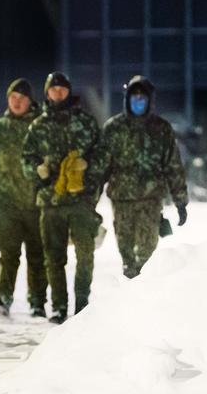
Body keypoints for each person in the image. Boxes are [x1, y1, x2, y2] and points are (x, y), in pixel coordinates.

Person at [21, 72, 103, 323]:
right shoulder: (38, 126)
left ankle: (82, 303)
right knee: (54, 257)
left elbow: (103, 154)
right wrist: (38, 171)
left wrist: (87, 165)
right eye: (53, 90)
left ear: (69, 92)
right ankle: (58, 306)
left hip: (81, 200)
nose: (57, 94)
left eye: (62, 89)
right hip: (51, 200)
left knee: (85, 255)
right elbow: (26, 158)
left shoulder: (86, 122)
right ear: (47, 94)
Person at [97, 76, 189, 278]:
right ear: (127, 99)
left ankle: (145, 292)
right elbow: (101, 167)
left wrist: (180, 201)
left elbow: (172, 165)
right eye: (134, 97)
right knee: (127, 253)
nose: (138, 101)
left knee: (147, 253)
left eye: (142, 97)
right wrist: (91, 199)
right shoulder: (113, 128)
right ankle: (132, 291)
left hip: (151, 200)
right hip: (122, 201)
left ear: (149, 100)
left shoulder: (161, 129)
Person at [0, 78, 48, 317]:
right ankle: (3, 297)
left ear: (30, 100)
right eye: (13, 97)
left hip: (36, 203)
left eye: (22, 98)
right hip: (7, 204)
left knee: (37, 254)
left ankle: (37, 301)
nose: (17, 102)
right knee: (8, 254)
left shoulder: (41, 127)